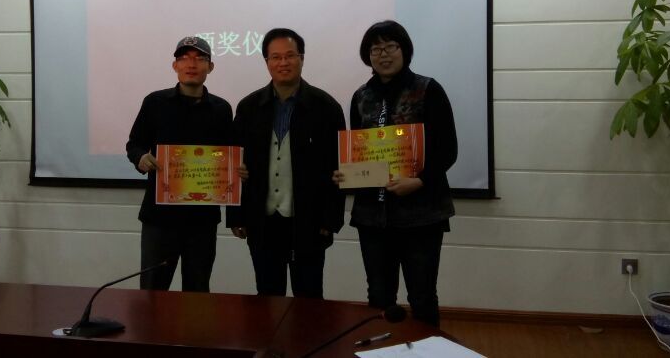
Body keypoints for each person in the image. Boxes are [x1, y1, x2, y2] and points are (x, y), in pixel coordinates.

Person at [334, 20, 457, 327]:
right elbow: (359, 151)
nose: (383, 54)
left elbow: (447, 149)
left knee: (422, 296)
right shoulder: (361, 97)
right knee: (378, 296)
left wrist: (419, 181)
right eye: (376, 49)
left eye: (390, 47)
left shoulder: (427, 89)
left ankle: (427, 348)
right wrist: (347, 174)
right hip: (373, 217)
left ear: (404, 50)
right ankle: (381, 347)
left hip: (421, 215)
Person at [226, 28, 346, 299]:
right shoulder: (248, 107)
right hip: (262, 220)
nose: (283, 63)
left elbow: (339, 167)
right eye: (276, 57)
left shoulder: (326, 107)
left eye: (290, 55)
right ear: (266, 62)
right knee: (267, 296)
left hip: (309, 221)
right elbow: (234, 165)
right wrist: (236, 215)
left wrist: (331, 219)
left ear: (302, 58)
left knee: (309, 296)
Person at [126, 36, 233, 292]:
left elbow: (229, 156)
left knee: (197, 292)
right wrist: (141, 158)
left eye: (199, 58)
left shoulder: (221, 109)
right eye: (184, 58)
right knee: (152, 291)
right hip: (159, 218)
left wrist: (235, 170)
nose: (191, 64)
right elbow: (134, 144)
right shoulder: (155, 103)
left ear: (210, 67)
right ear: (175, 66)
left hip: (202, 219)